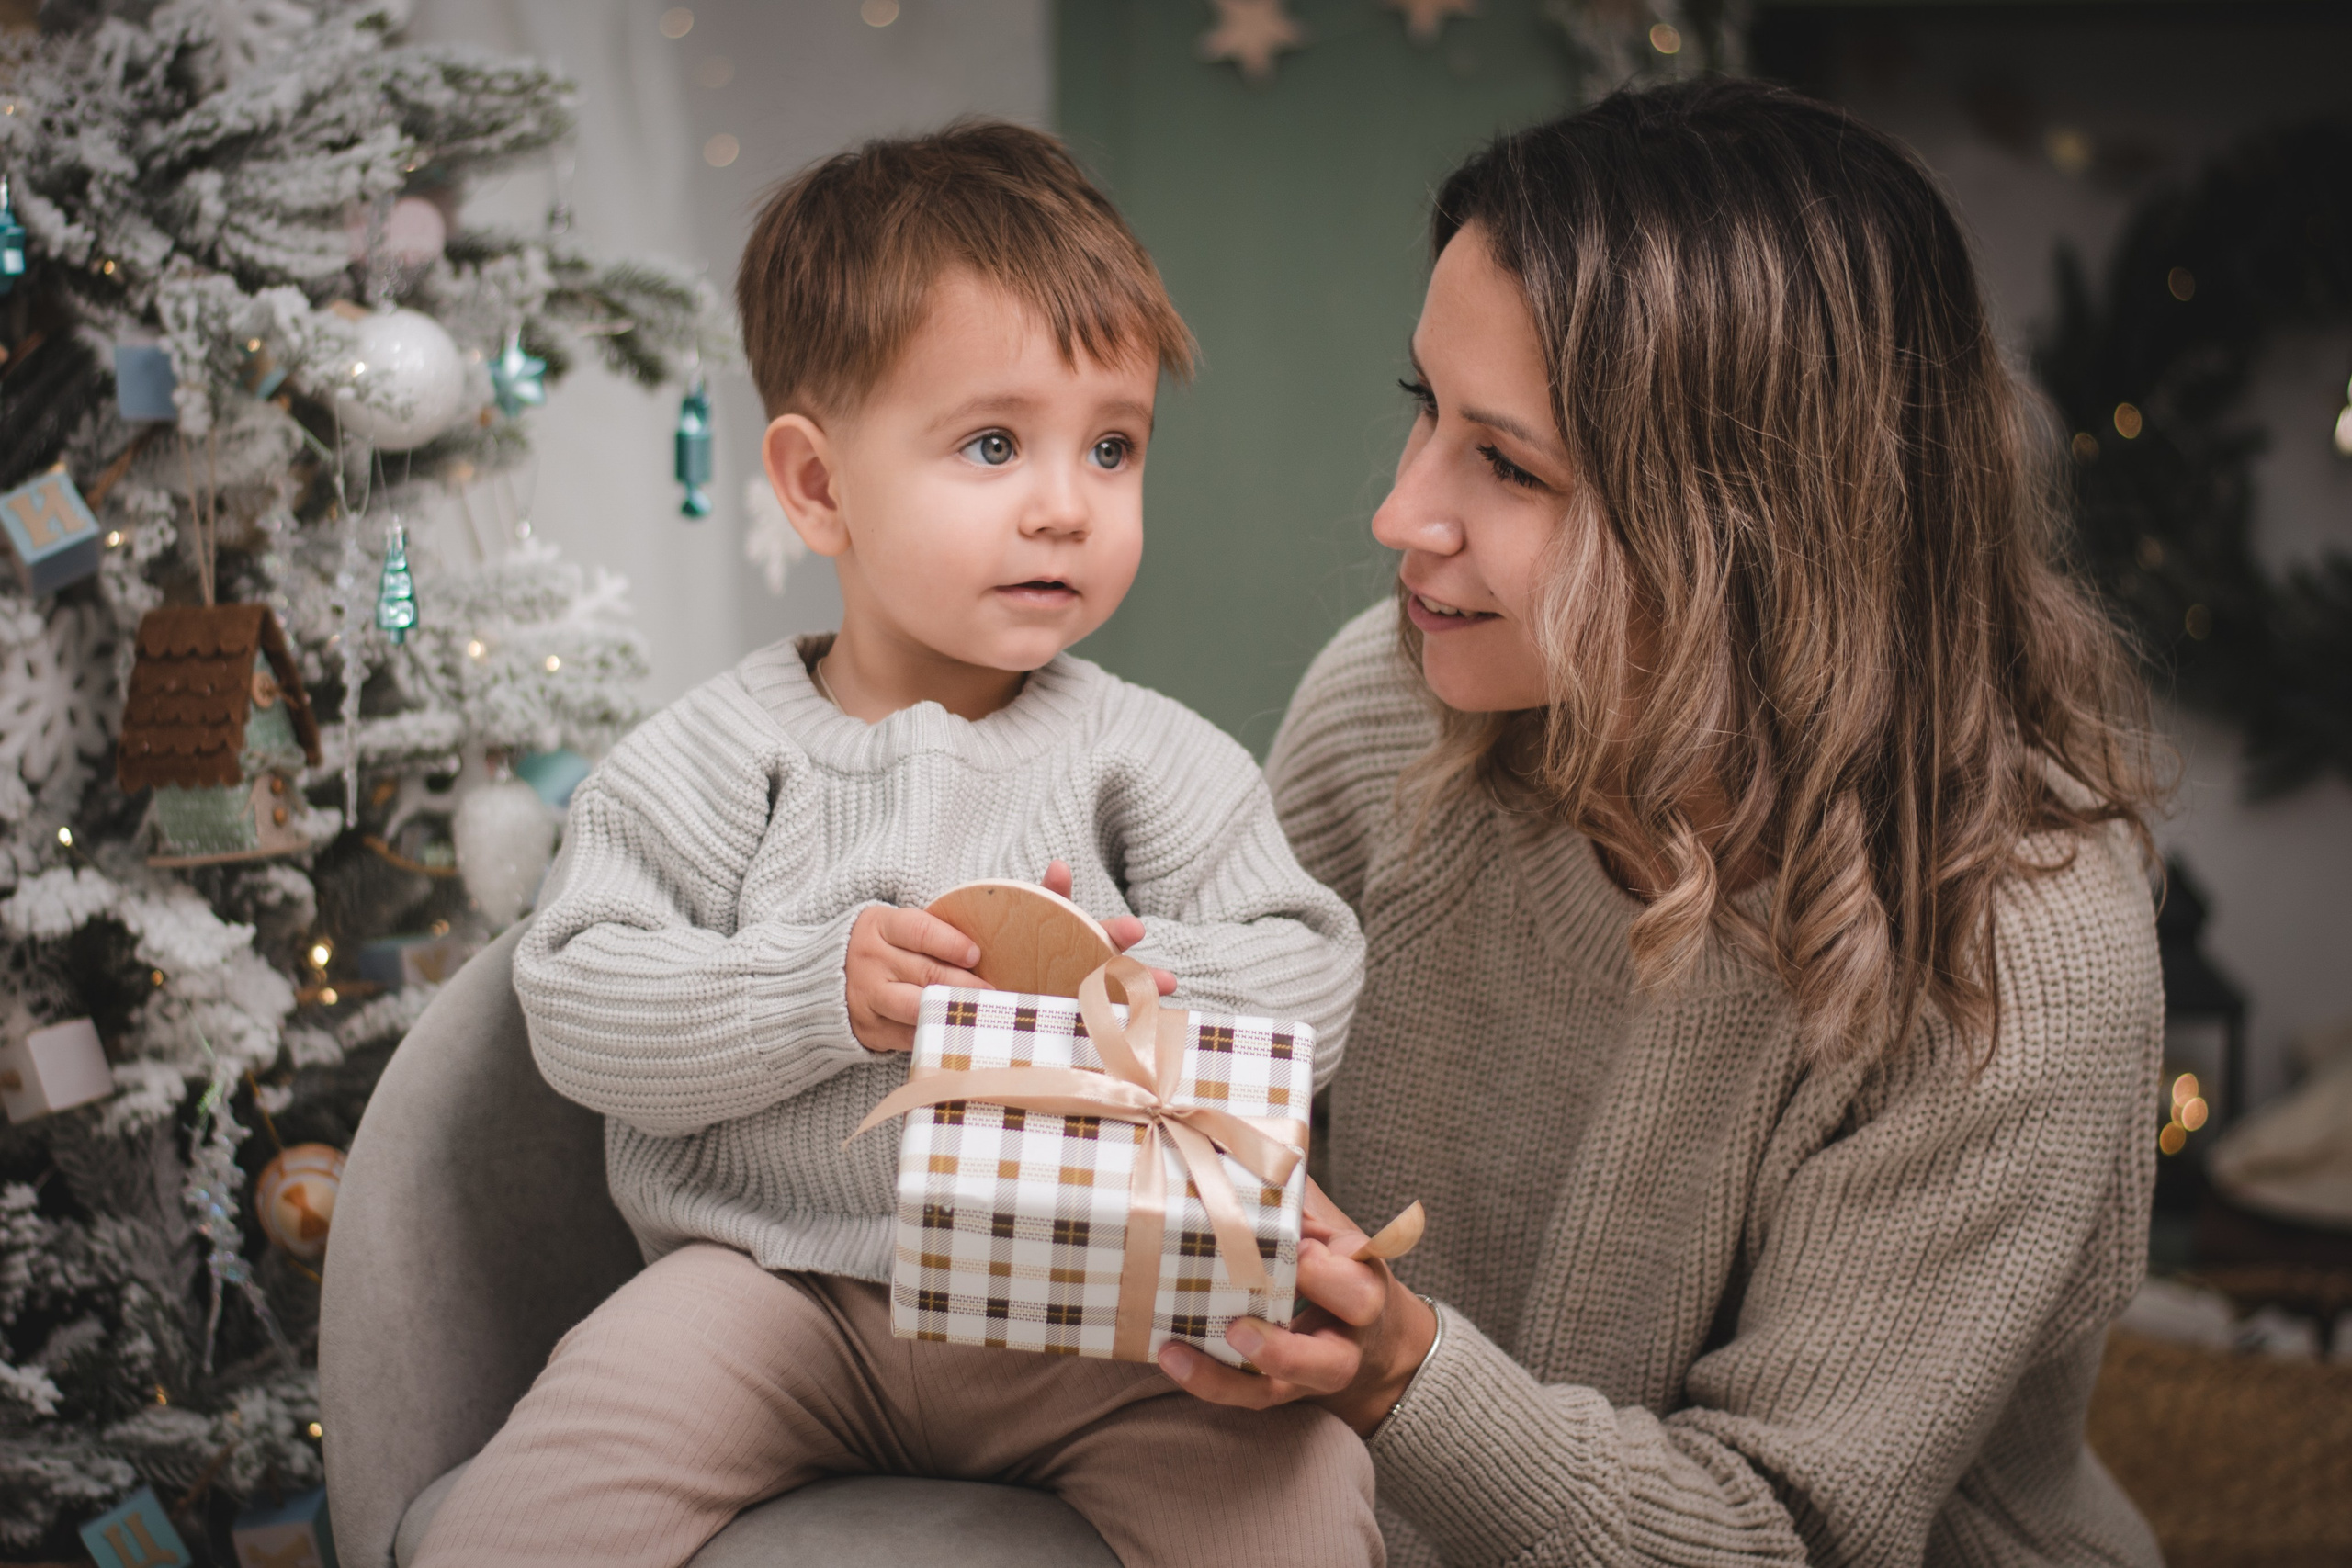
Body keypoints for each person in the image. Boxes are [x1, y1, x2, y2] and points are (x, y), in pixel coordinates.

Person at [1154, 80, 2170, 1568]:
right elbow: (1230, 1138)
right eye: (1422, 409)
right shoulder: (1394, 707)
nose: (1402, 515)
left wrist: (1402, 1378)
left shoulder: (2014, 956)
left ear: (1753, 534)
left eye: (1508, 465)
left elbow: (1775, 1531)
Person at [414, 121, 1376, 1568]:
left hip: (1097, 1313)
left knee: (1298, 1495)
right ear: (815, 487)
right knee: (510, 1526)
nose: (1067, 502)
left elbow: (1312, 970)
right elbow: (577, 1002)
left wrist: (1133, 984)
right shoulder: (711, 755)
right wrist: (822, 992)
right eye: (994, 444)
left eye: (1111, 447)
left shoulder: (1148, 755)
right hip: (770, 1291)